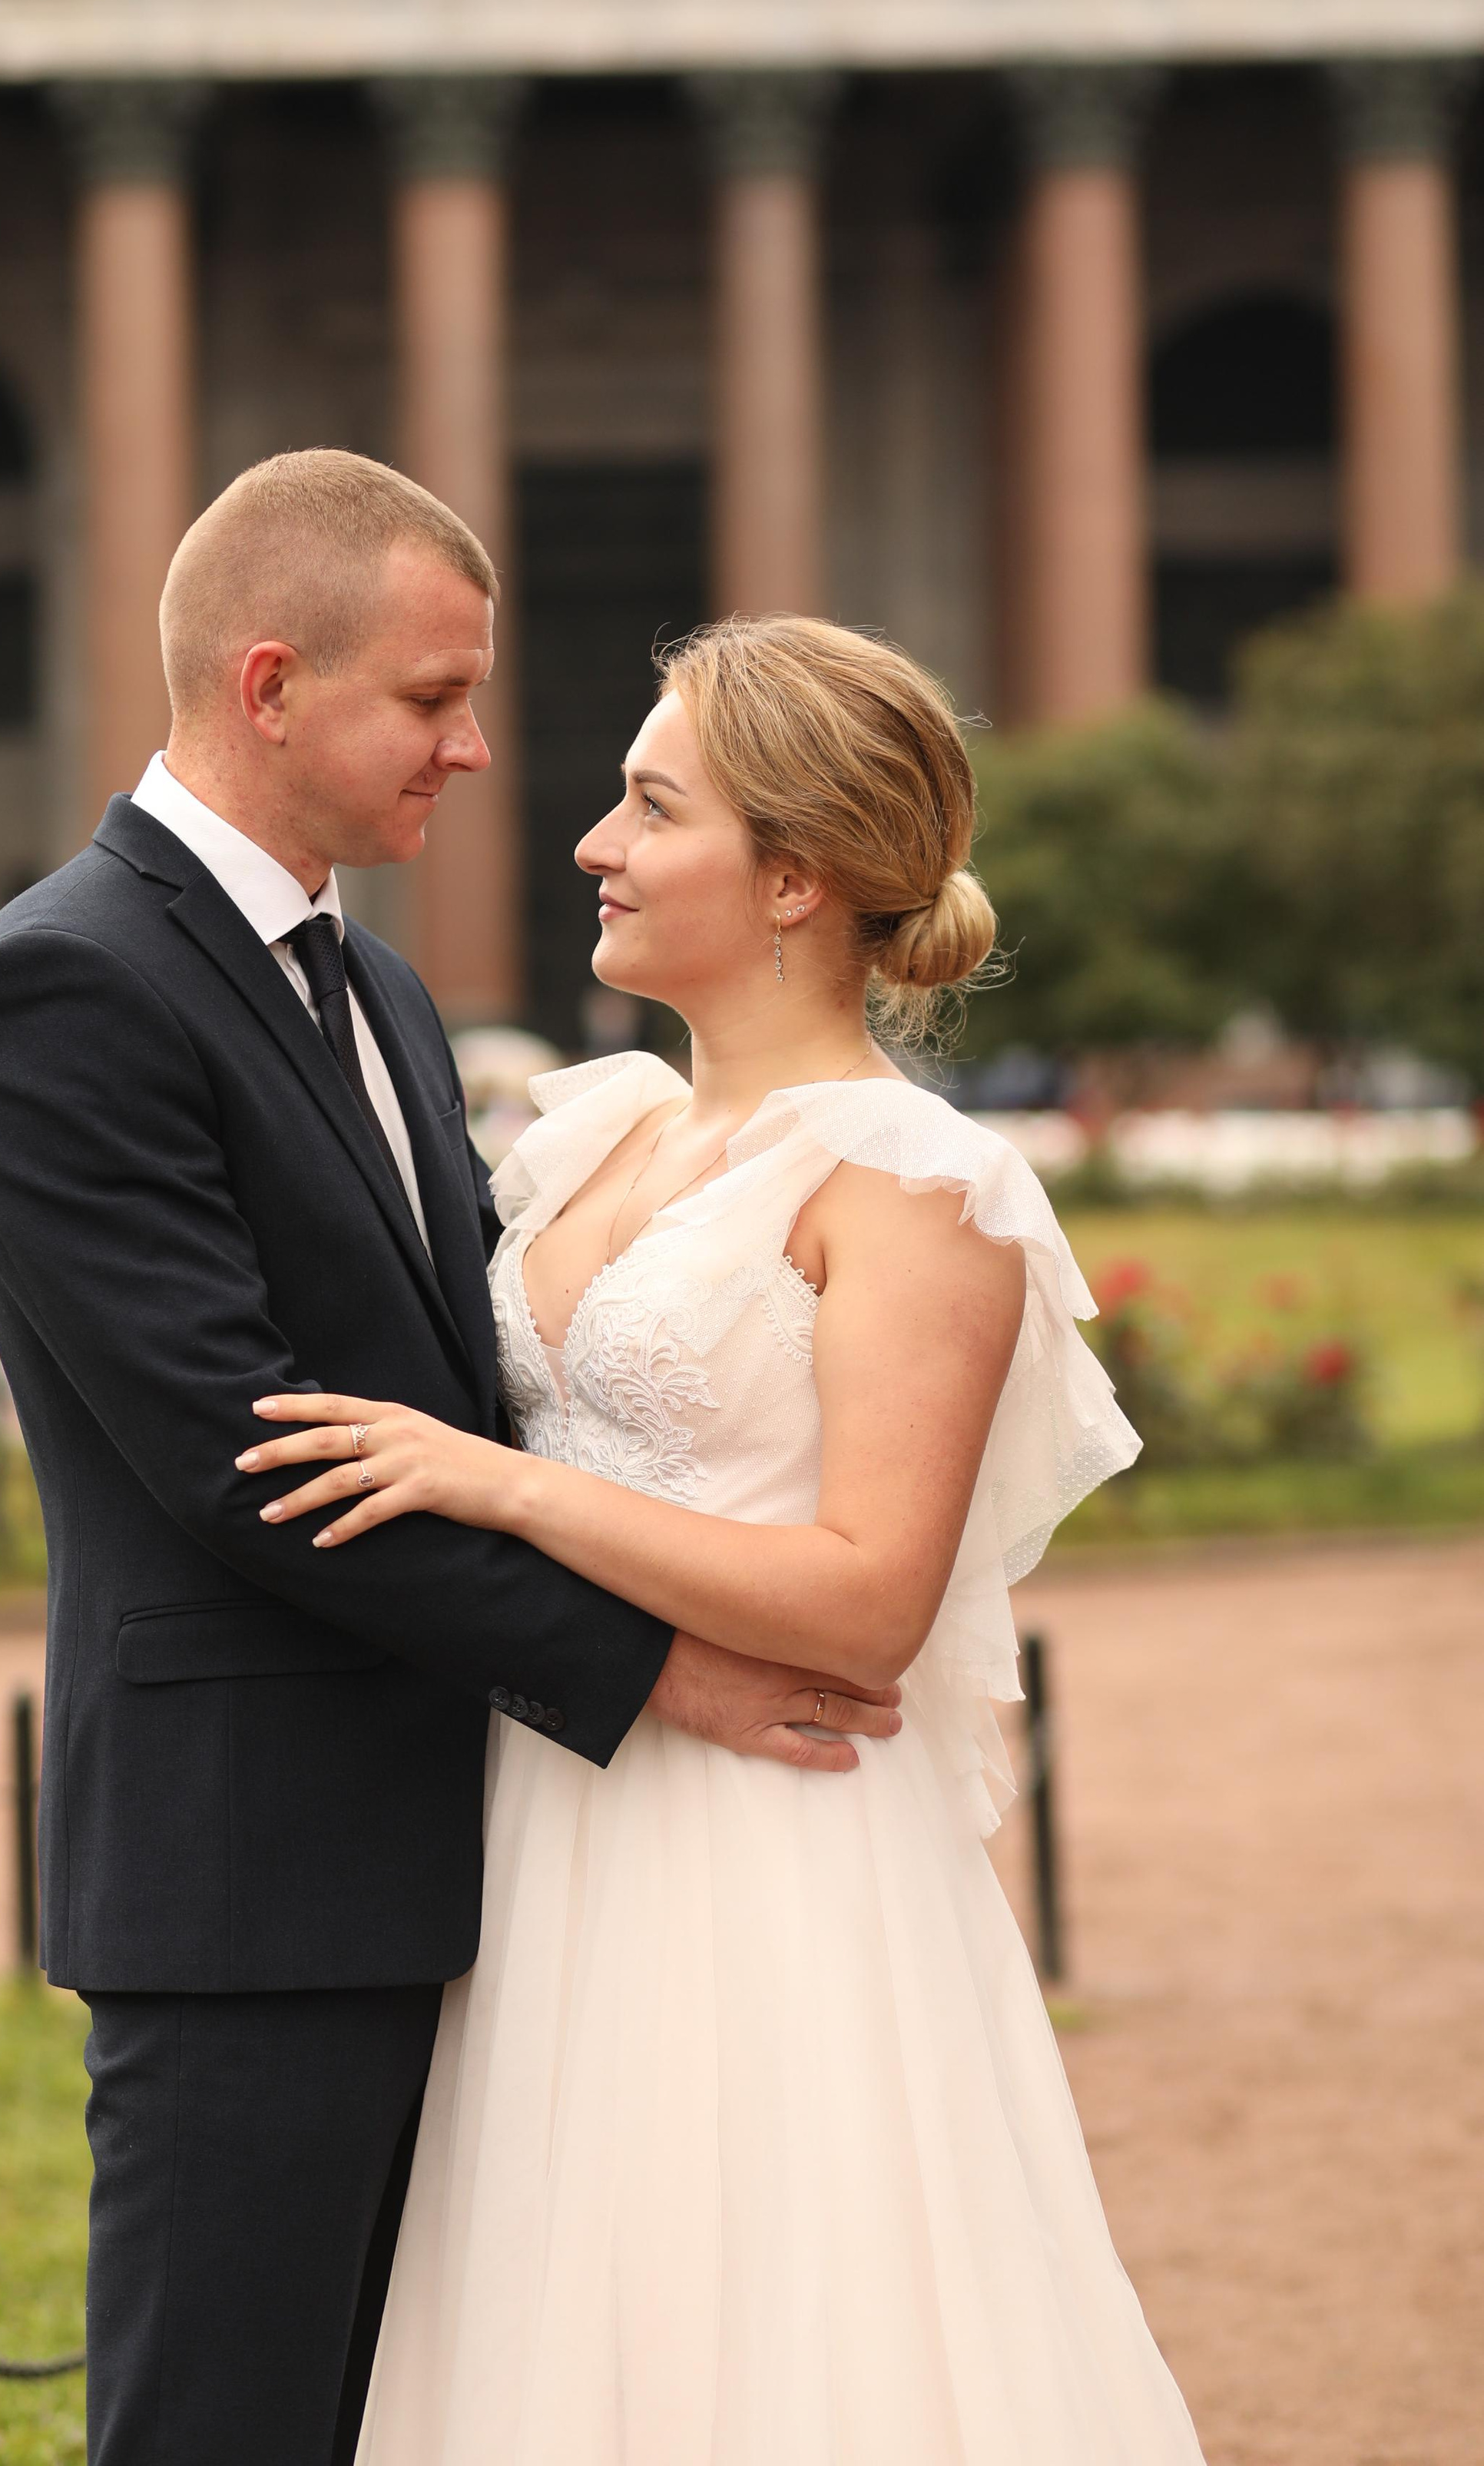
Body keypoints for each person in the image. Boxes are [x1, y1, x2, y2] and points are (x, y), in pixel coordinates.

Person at [0, 456, 902, 2466]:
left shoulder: (371, 981)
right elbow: (256, 1465)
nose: (473, 748)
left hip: (496, 1863)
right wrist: (655, 1670)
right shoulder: (66, 982)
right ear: (270, 685)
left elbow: (472, 1389)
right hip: (253, 1880)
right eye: (433, 700)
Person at [242, 615, 1208, 2466]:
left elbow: (869, 1597)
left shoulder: (918, 1184)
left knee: (775, 2329)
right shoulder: (594, 1136)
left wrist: (500, 1483)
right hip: (545, 1817)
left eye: (648, 806)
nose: (590, 843)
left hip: (773, 1850)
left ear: (791, 877)